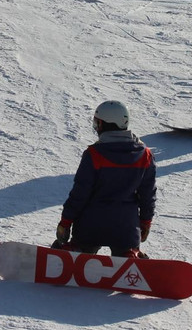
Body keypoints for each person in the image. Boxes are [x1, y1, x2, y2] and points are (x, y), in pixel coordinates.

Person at [54, 100, 156, 258]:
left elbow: (80, 194)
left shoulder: (94, 154)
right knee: (127, 246)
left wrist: (66, 221)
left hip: (91, 225)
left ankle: (74, 253)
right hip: (125, 228)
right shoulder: (145, 155)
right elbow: (147, 195)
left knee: (80, 246)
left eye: (96, 123)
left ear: (101, 124)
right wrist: (145, 221)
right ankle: (130, 257)